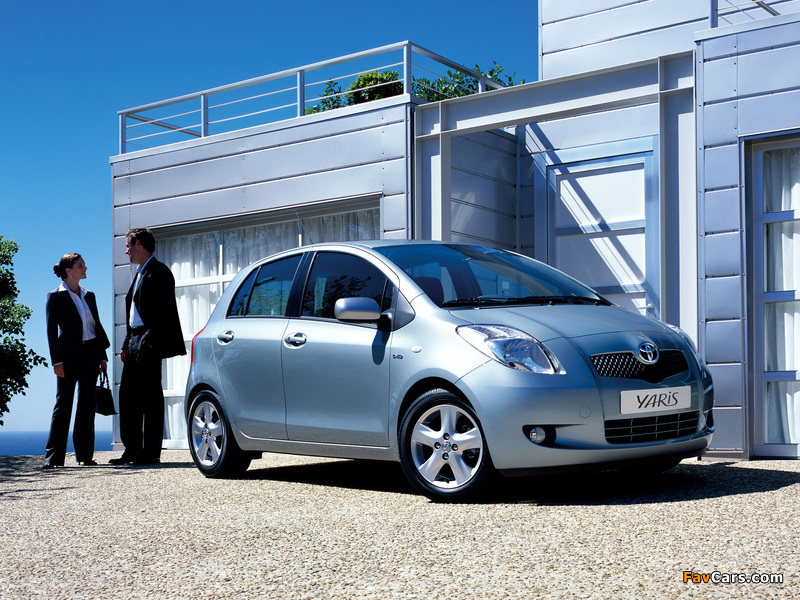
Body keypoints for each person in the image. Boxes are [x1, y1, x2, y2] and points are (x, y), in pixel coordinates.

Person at [110, 227, 185, 466]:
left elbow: (164, 312)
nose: (126, 251)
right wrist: (126, 343)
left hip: (148, 341)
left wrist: (150, 341)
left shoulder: (159, 272)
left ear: (139, 244)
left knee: (150, 398)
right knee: (128, 396)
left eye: (128, 245)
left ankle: (150, 452)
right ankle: (132, 450)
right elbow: (134, 313)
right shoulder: (140, 273)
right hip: (135, 339)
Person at [44, 254, 110, 469]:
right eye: (80, 266)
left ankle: (85, 456)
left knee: (87, 404)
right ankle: (53, 458)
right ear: (68, 271)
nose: (85, 268)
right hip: (67, 357)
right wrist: (57, 361)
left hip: (91, 354)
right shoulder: (55, 296)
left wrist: (102, 356)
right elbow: (51, 331)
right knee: (63, 404)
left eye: (84, 265)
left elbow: (95, 326)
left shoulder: (90, 295)